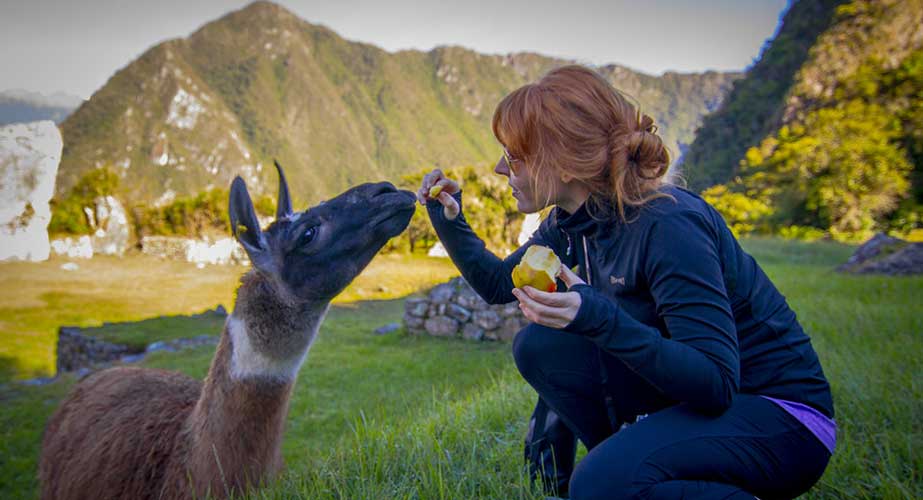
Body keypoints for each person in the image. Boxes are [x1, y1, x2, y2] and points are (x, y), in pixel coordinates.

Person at [415, 65, 835, 500]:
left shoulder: (668, 223)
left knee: (600, 483)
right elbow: (497, 284)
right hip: (710, 404)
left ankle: (619, 478)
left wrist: (596, 315)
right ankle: (625, 469)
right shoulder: (572, 221)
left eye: (514, 156)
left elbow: (716, 382)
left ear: (564, 159)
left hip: (781, 418)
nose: (501, 169)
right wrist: (449, 218)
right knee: (540, 347)